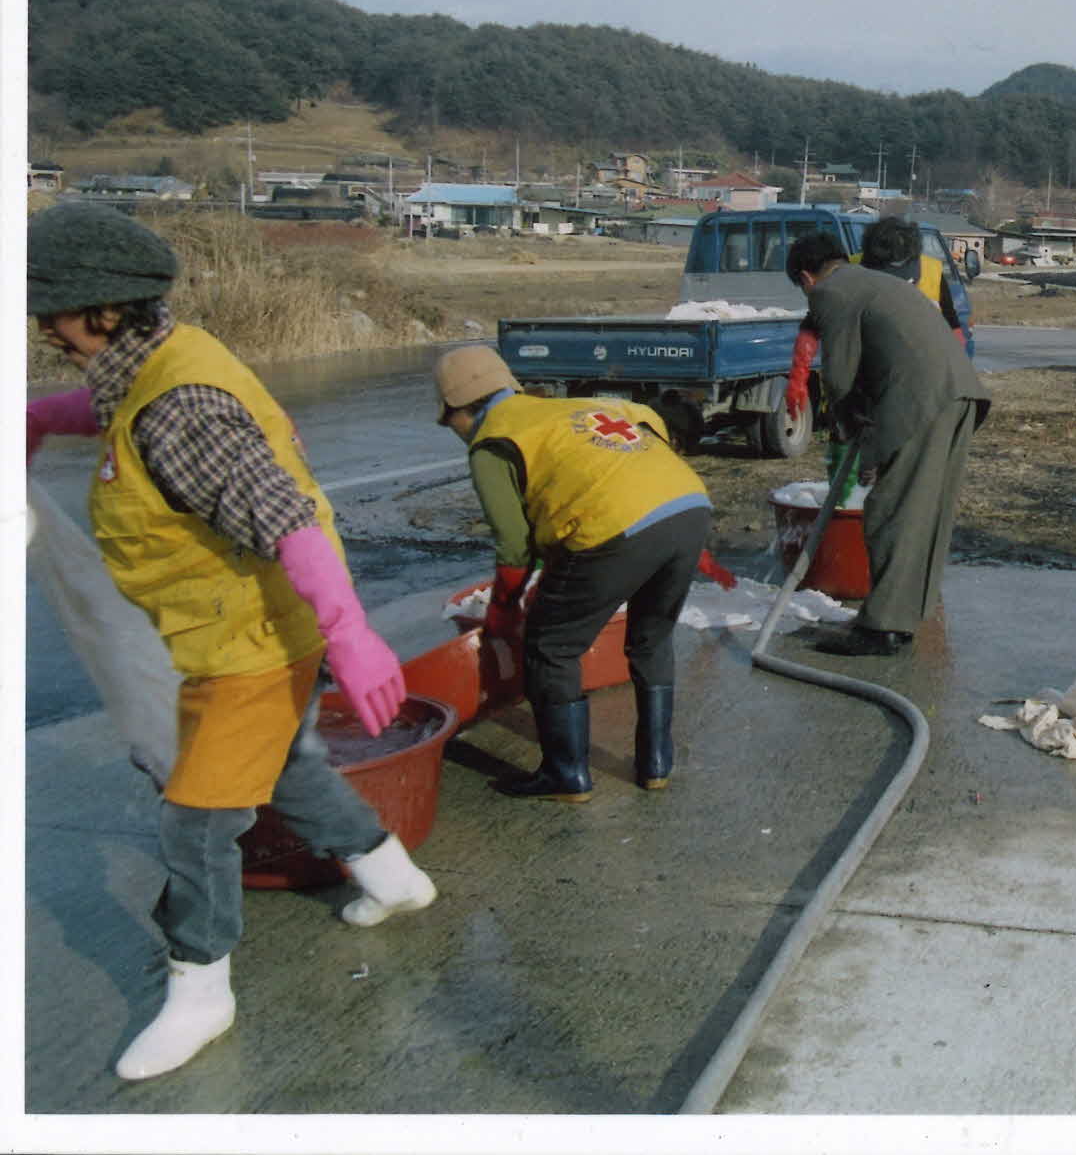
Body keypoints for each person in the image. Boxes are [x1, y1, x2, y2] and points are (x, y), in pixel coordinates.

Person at [25, 201, 433, 1081]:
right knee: (288, 770)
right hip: (242, 631)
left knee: (197, 821)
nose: (44, 326)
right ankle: (393, 876)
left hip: (250, 642)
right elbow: (113, 408)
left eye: (51, 310)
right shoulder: (160, 360)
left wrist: (354, 635)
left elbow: (286, 518)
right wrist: (38, 419)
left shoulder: (180, 411)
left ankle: (200, 990)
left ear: (103, 308)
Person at [434, 345, 721, 799]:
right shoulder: (575, 407)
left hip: (614, 527)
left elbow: (513, 546)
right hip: (689, 506)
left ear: (461, 410)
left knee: (550, 647)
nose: (455, 433)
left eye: (449, 423)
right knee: (651, 639)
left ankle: (565, 775)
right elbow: (652, 428)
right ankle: (656, 765)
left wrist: (503, 612)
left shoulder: (493, 444)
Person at [783, 230, 990, 656]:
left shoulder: (831, 292)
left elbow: (839, 377)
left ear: (807, 277)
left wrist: (846, 427)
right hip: (960, 394)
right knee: (923, 514)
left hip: (923, 399)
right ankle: (902, 617)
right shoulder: (871, 282)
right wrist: (868, 430)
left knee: (890, 511)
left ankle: (881, 630)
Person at [783, 215, 966, 428]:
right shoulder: (851, 266)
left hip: (909, 385)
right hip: (885, 383)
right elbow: (814, 322)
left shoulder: (854, 267)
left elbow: (953, 327)